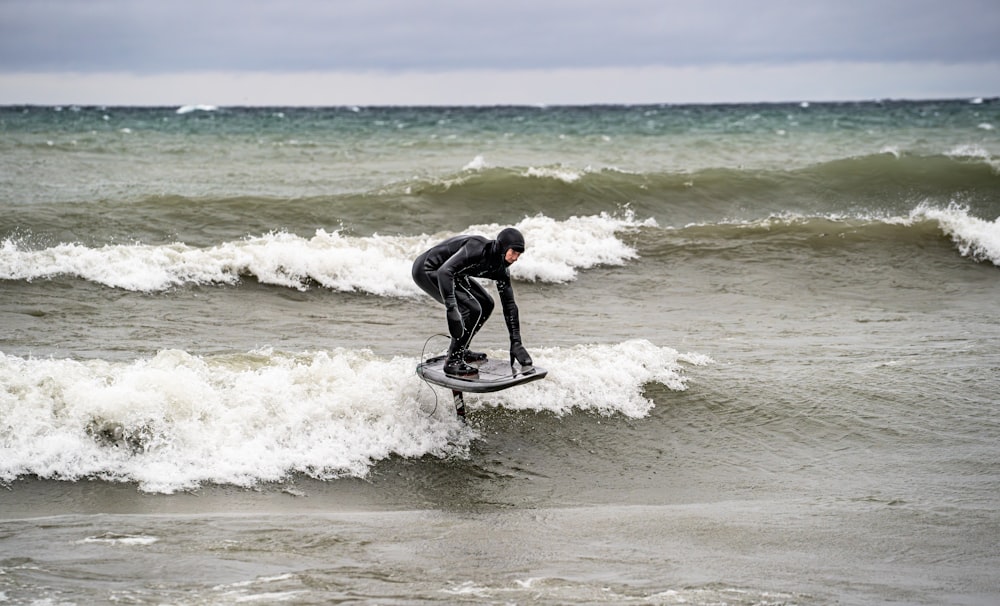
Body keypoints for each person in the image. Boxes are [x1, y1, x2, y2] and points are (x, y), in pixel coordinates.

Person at [412, 227, 533, 377]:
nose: (515, 258)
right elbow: (445, 271)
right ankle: (453, 361)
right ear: (503, 248)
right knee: (472, 308)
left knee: (487, 304)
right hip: (428, 269)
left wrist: (516, 342)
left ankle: (460, 350)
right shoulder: (477, 248)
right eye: (513, 252)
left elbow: (509, 306)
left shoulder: (501, 270)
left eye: (519, 254)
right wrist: (452, 308)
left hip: (452, 273)